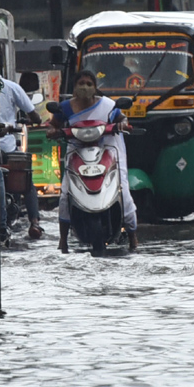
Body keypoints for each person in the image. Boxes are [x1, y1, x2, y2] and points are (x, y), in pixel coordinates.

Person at [48, 69, 138, 253]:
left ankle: (133, 238)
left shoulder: (108, 106)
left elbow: (122, 118)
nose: (85, 87)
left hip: (107, 149)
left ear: (96, 88)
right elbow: (53, 124)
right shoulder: (65, 107)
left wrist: (122, 124)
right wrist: (51, 131)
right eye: (81, 84)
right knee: (65, 193)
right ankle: (63, 240)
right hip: (77, 151)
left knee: (124, 190)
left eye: (89, 84)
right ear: (74, 88)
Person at [0, 75, 44, 242]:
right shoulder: (10, 87)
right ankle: (35, 223)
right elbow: (35, 116)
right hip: (7, 148)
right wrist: (34, 120)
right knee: (27, 182)